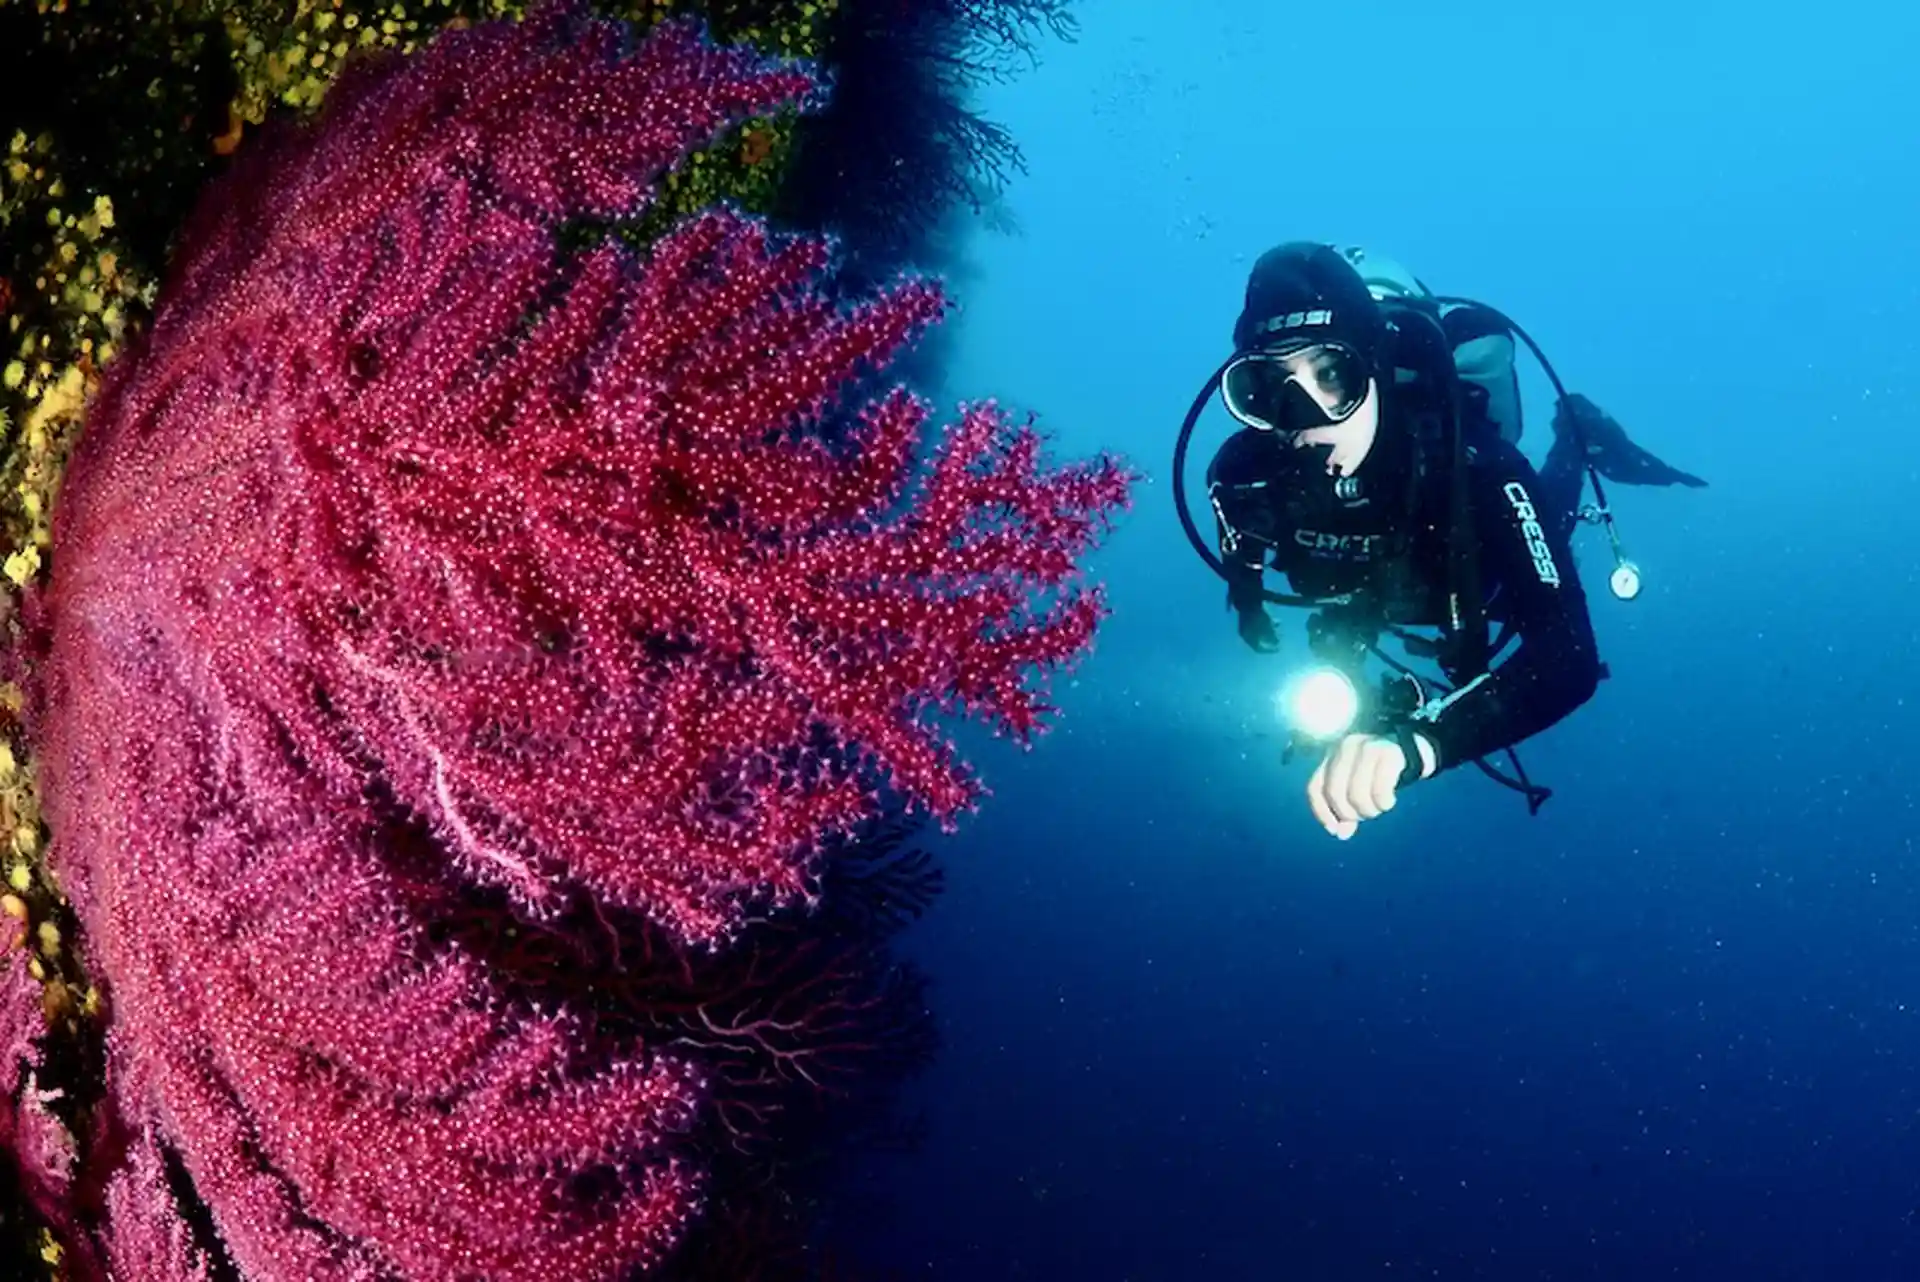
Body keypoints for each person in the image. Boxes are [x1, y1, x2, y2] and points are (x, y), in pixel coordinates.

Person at [1202, 242, 1707, 839]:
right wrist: (1249, 605)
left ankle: (1576, 440)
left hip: (1474, 577)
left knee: (1549, 521)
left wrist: (1417, 747)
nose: (1304, 416)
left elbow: (1567, 657)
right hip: (1371, 594)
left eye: (1332, 374)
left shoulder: (1481, 469)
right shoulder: (1242, 479)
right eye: (1267, 386)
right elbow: (1244, 558)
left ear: (1377, 367)